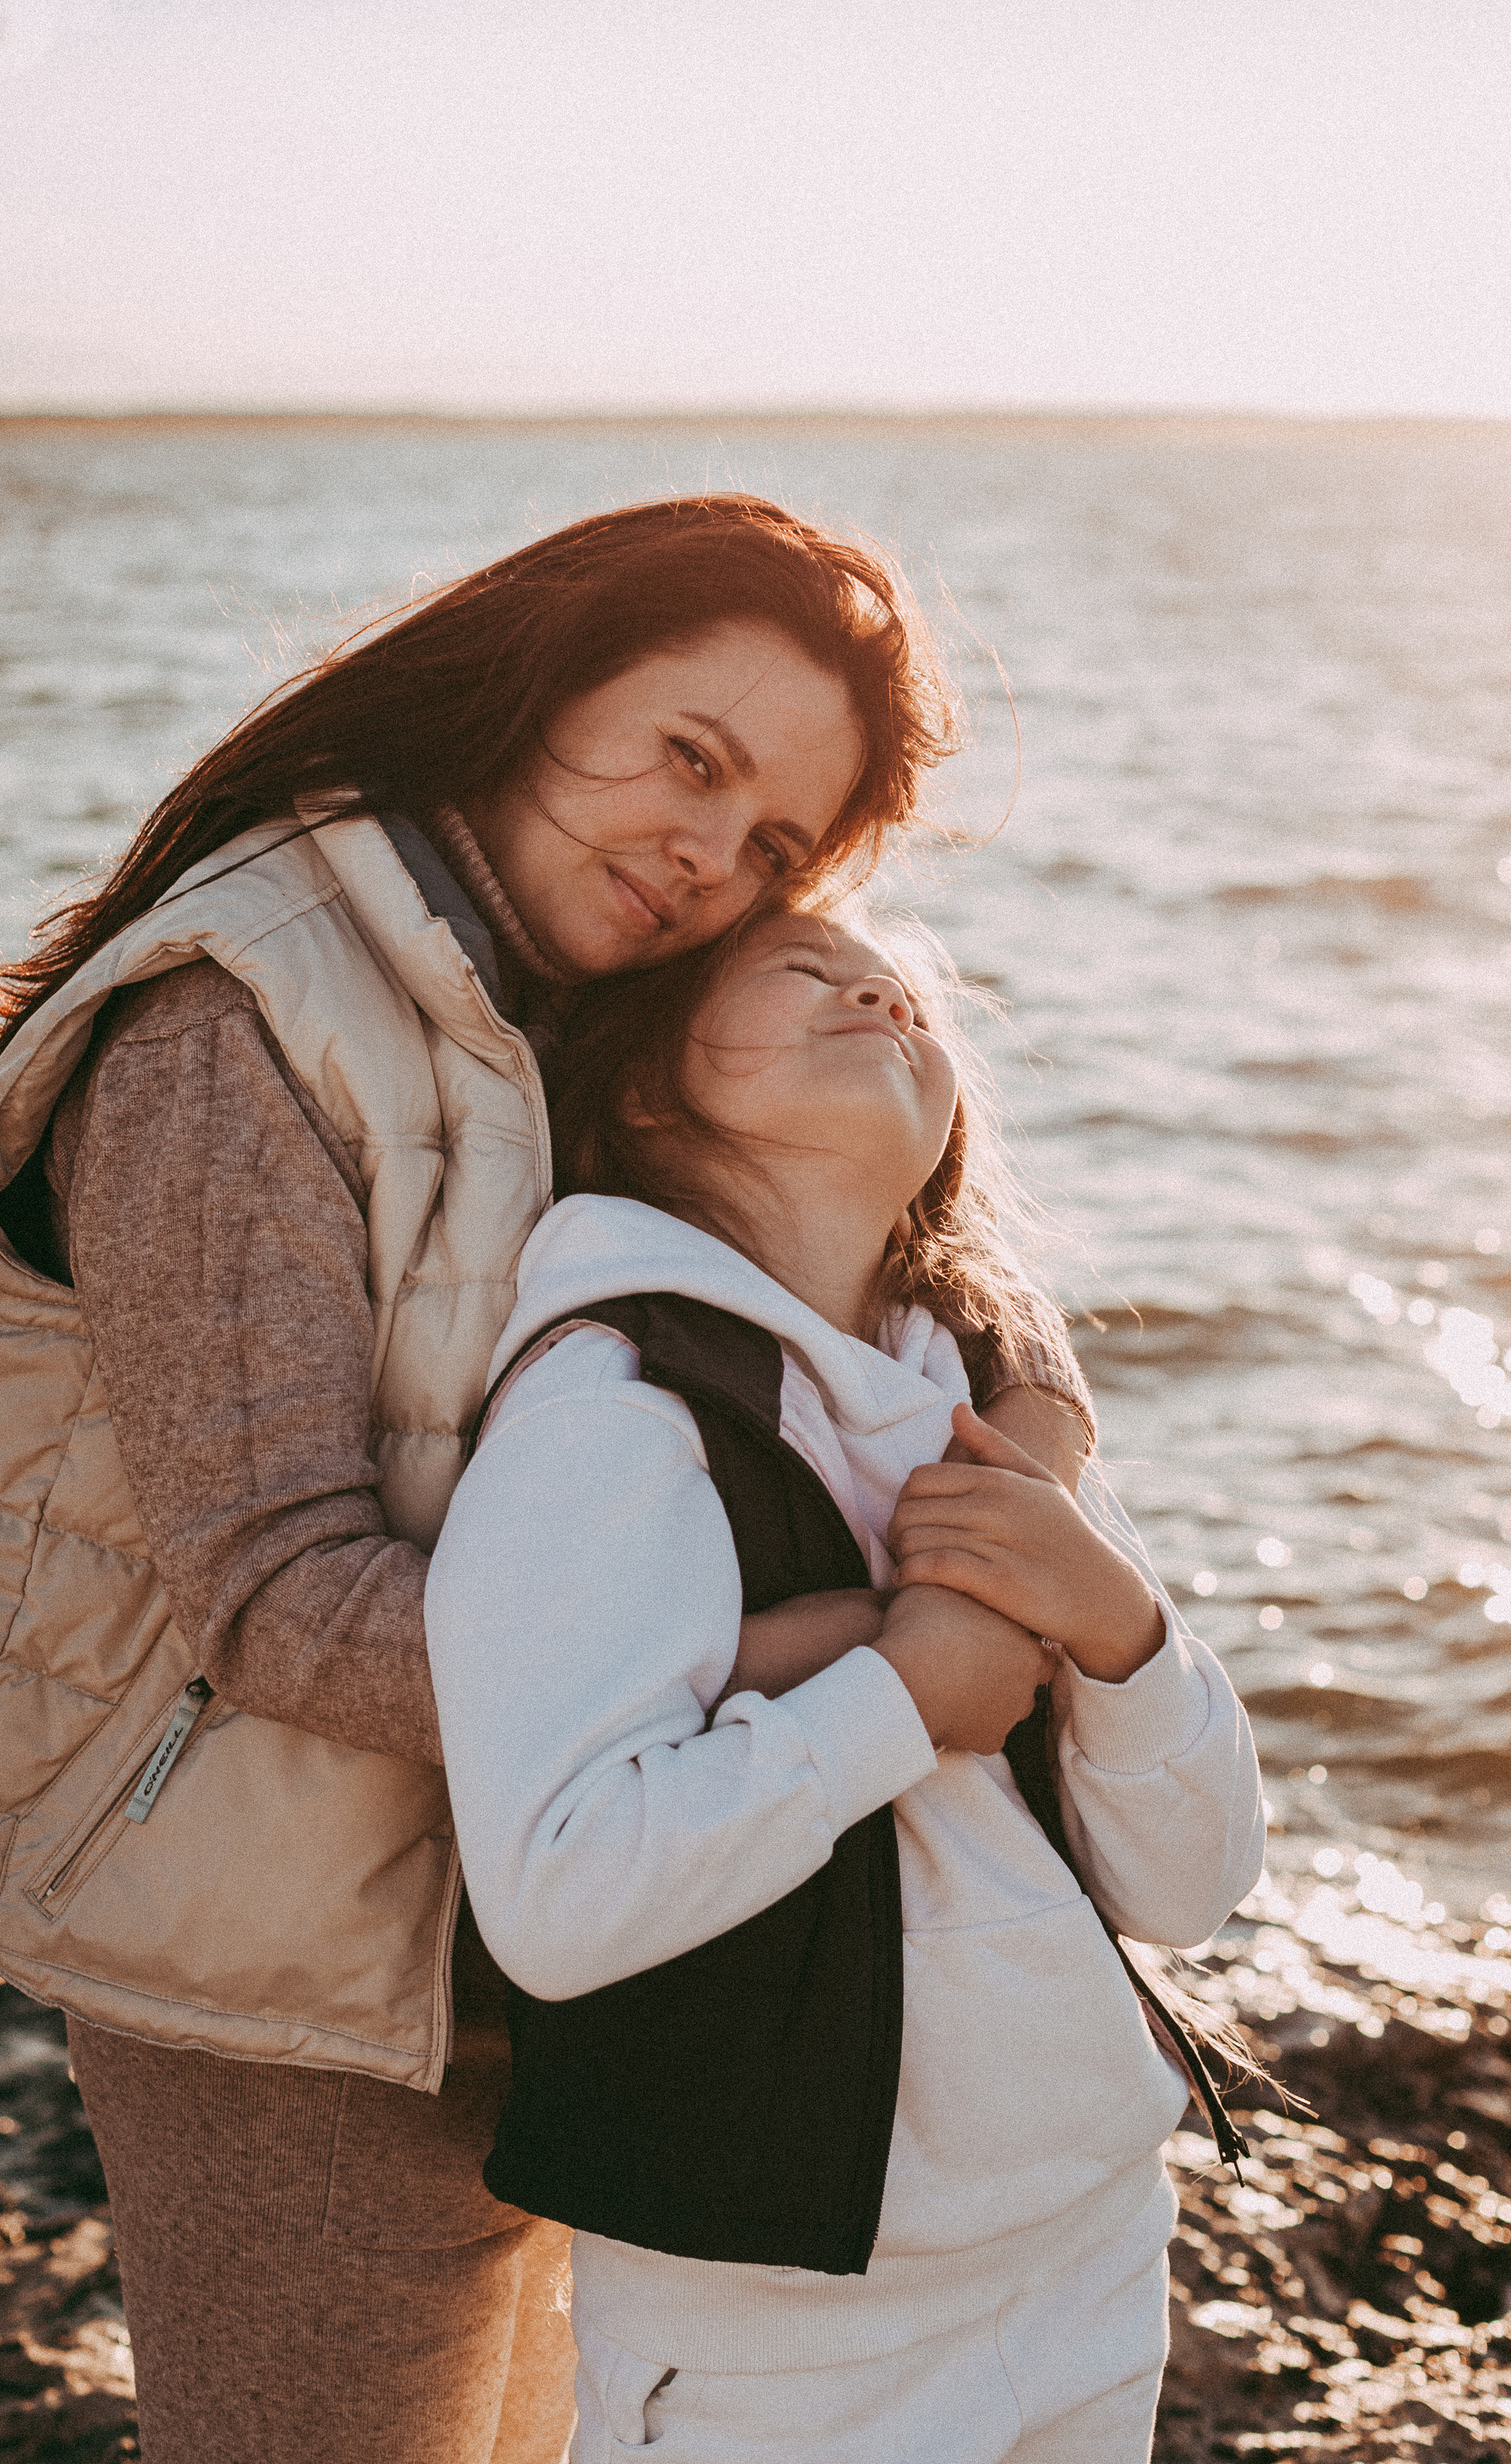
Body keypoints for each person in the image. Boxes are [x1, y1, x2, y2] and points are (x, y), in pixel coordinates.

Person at [0, 497, 1099, 2464]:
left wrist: (1024, 1464)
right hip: (273, 1936)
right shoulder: (240, 1015)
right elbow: (281, 1599)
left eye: (774, 846)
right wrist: (838, 1657)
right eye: (687, 760)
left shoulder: (576, 973)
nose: (706, 860)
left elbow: (929, 1220)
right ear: (539, 674)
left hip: (579, 1877)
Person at [427, 900, 1266, 2464]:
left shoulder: (985, 1408)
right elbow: (559, 1889)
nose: (877, 984)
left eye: (895, 982)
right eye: (803, 969)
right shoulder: (613, 1407)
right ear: (643, 1090)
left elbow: (1190, 1882)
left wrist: (1117, 1623)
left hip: (1084, 2241)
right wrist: (898, 1695)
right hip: (782, 2338)